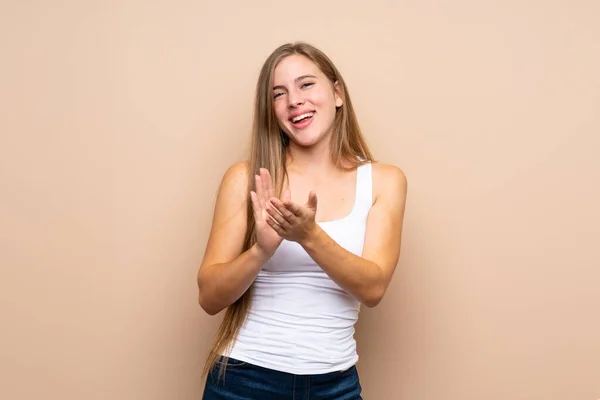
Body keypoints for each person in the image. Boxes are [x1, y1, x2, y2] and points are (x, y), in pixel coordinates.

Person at [198, 41, 407, 399]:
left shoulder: (384, 181)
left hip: (334, 385)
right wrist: (260, 252)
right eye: (279, 94)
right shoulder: (245, 178)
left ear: (337, 93)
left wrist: (309, 236)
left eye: (306, 84)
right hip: (243, 381)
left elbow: (373, 288)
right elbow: (209, 297)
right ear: (272, 111)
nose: (294, 100)